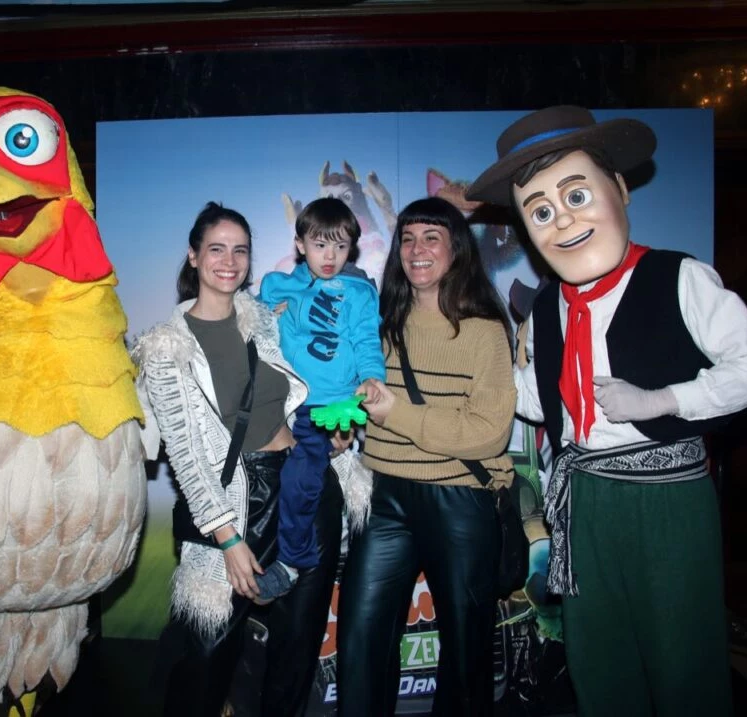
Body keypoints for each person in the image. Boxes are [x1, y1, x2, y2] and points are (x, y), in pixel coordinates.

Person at [466, 105, 747, 717]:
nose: (563, 220)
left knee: (682, 655)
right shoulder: (545, 308)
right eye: (540, 212)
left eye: (576, 196)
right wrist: (473, 378)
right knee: (599, 656)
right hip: (585, 500)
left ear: (620, 190)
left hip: (667, 499)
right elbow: (540, 402)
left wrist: (664, 400)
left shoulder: (679, 277)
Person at [133, 202, 371, 717]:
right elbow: (187, 459)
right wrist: (227, 539)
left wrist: (330, 433)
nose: (229, 261)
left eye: (240, 250)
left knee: (295, 653)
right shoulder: (166, 347)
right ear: (193, 255)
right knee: (207, 657)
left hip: (307, 489)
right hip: (234, 505)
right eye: (216, 249)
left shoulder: (266, 320)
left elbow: (314, 378)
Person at [336, 196, 517, 716]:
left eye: (431, 238)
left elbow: (489, 434)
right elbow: (355, 395)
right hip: (383, 496)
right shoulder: (377, 323)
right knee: (361, 637)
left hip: (459, 498)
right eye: (408, 239)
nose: (417, 250)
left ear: (456, 248)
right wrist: (345, 423)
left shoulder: (484, 330)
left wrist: (396, 413)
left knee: (465, 649)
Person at [255, 197, 386, 602]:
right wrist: (267, 316)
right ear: (300, 245)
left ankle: (291, 562)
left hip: (331, 406)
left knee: (300, 474)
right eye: (320, 245)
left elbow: (366, 341)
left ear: (352, 248)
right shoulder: (277, 286)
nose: (330, 256)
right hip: (283, 402)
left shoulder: (359, 292)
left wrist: (373, 378)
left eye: (341, 246)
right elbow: (252, 331)